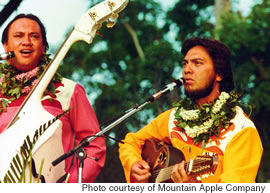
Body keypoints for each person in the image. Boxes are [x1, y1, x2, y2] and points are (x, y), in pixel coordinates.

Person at [119, 37, 263, 183]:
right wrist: (133, 164)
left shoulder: (241, 129)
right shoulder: (173, 118)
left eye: (197, 63)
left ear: (219, 74)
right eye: (185, 63)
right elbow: (130, 142)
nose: (187, 70)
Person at [0, 13, 106, 182]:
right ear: (6, 46)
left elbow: (94, 145)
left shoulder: (70, 90)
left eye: (34, 36)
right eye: (18, 36)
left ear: (43, 47)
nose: (26, 41)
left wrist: (68, 184)